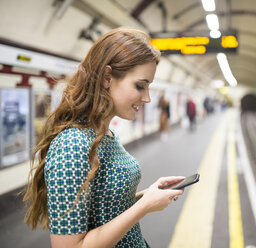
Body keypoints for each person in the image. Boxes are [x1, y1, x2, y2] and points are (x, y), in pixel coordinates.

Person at [23, 27, 184, 248]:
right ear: (107, 78)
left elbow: (104, 208)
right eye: (140, 86)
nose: (146, 98)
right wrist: (144, 207)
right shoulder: (72, 145)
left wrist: (148, 195)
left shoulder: (106, 134)